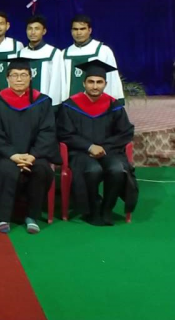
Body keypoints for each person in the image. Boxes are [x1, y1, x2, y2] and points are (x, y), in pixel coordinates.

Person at [58, 60, 137, 226]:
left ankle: (107, 209)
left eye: (99, 82)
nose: (95, 86)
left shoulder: (113, 105)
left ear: (105, 84)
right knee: (93, 170)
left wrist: (103, 148)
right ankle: (92, 209)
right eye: (91, 82)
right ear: (84, 83)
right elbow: (64, 133)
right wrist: (89, 147)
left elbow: (126, 132)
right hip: (80, 152)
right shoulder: (70, 105)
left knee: (117, 169)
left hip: (110, 151)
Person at [0, 58, 60, 234]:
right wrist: (13, 155)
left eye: (23, 75)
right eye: (14, 75)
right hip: (5, 155)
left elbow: (47, 131)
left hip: (34, 155)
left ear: (30, 77)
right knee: (5, 169)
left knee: (41, 170)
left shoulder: (42, 101)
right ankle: (3, 216)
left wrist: (32, 156)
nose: (19, 79)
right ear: (7, 78)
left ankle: (31, 216)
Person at [62, 14, 124, 103]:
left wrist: (115, 103)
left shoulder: (103, 51)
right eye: (75, 29)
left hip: (97, 104)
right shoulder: (64, 53)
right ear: (71, 31)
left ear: (89, 30)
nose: (78, 33)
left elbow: (112, 78)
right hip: (71, 105)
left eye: (82, 29)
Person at [17, 15, 65, 107]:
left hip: (45, 105)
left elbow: (56, 82)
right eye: (30, 29)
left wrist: (52, 106)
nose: (33, 32)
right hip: (23, 105)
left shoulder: (54, 53)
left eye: (37, 29)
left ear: (44, 31)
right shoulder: (21, 54)